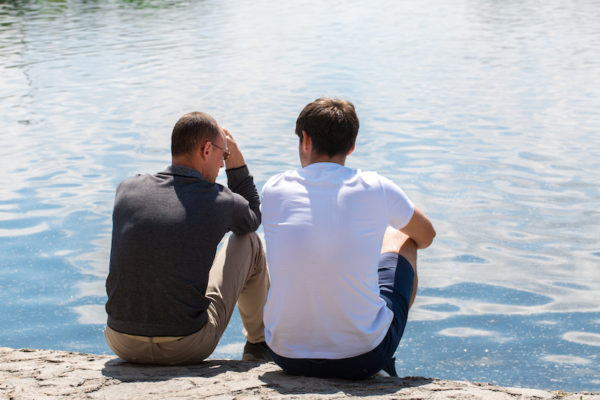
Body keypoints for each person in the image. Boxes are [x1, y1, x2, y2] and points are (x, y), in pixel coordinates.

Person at [261, 98, 436, 379]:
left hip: (286, 354)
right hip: (362, 358)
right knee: (402, 236)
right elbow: (426, 235)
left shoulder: (274, 188)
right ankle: (383, 352)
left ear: (305, 140)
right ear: (352, 146)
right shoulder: (376, 186)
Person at [105, 112, 271, 364]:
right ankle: (258, 346)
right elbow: (253, 216)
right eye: (223, 156)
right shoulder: (220, 200)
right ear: (206, 150)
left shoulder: (127, 188)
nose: (221, 165)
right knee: (249, 241)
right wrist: (238, 167)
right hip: (186, 345)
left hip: (121, 341)